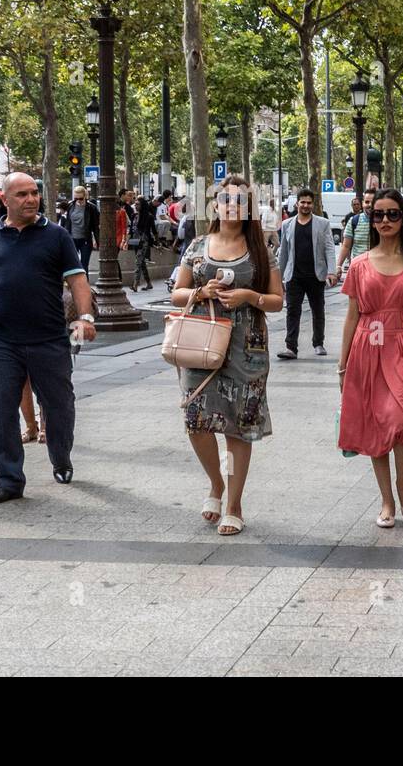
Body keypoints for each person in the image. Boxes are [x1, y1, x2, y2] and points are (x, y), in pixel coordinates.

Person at [0, 172, 97, 503]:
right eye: (22, 194)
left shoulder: (57, 236)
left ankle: (61, 457)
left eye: (35, 193)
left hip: (49, 340)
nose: (31, 199)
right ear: (4, 200)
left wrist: (86, 316)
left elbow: (77, 279)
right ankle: (9, 480)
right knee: (0, 410)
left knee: (59, 405)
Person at [171, 176, 283, 537]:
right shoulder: (198, 246)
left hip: (245, 348)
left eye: (240, 201)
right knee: (196, 420)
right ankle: (215, 484)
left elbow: (277, 301)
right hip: (200, 342)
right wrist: (202, 291)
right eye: (226, 200)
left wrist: (248, 296)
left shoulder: (262, 249)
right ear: (215, 205)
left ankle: (233, 504)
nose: (232, 206)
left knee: (239, 425)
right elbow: (177, 294)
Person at [338, 188, 403, 528]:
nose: (384, 221)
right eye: (378, 215)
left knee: (402, 418)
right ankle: (386, 499)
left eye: (392, 214)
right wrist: (343, 363)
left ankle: (402, 480)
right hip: (367, 347)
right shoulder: (360, 264)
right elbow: (351, 316)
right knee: (375, 423)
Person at [276, 188, 337, 359]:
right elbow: (284, 252)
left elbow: (329, 248)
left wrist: (331, 271)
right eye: (303, 202)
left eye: (309, 203)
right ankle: (291, 347)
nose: (305, 205)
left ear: (313, 204)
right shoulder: (288, 224)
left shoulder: (322, 223)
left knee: (318, 310)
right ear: (297, 203)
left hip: (316, 274)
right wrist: (279, 277)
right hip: (294, 275)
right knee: (292, 310)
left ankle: (318, 343)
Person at [335, 190, 375, 275]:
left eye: (373, 202)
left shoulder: (384, 221)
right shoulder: (354, 221)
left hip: (378, 270)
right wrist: (338, 266)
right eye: (367, 202)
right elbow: (346, 246)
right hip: (358, 270)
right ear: (363, 203)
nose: (370, 205)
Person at [66, 184, 99, 274]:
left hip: (86, 240)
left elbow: (96, 226)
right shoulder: (70, 206)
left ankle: (85, 286)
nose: (78, 201)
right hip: (72, 239)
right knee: (72, 265)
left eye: (81, 198)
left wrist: (97, 241)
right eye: (76, 198)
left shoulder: (91, 208)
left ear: (85, 196)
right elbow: (68, 223)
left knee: (84, 265)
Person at [130, 195, 157, 291]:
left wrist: (157, 242)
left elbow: (154, 230)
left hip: (143, 241)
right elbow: (131, 230)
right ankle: (149, 283)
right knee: (142, 263)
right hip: (135, 241)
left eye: (138, 204)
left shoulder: (148, 216)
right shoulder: (134, 216)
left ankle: (135, 284)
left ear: (142, 205)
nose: (136, 206)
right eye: (135, 204)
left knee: (138, 262)